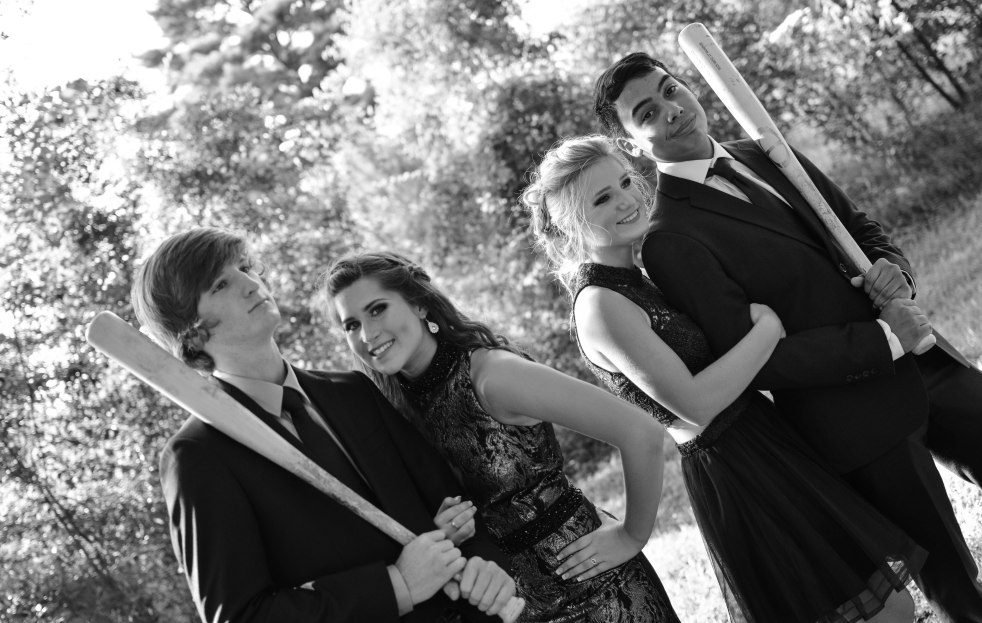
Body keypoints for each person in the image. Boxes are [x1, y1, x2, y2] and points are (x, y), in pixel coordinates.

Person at [593, 52, 982, 623]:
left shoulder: (767, 151)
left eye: (670, 89)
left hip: (928, 362)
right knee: (958, 585)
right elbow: (759, 360)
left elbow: (859, 228)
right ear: (631, 143)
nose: (671, 110)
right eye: (647, 112)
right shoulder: (668, 238)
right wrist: (881, 340)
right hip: (859, 419)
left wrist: (894, 271)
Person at [523, 134, 929, 623]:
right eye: (602, 198)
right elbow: (694, 404)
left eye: (626, 182)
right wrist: (767, 330)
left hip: (764, 438)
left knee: (888, 604)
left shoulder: (635, 277)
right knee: (881, 610)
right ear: (570, 226)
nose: (627, 200)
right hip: (737, 468)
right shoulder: (600, 305)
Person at [130, 227, 518, 623]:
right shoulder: (198, 455)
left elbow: (452, 501)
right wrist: (397, 585)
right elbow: (242, 615)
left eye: (245, 268)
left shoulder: (352, 390)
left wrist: (485, 564)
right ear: (191, 333)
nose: (251, 284)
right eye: (221, 284)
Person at [323, 253, 681, 622]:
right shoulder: (397, 410)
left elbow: (641, 432)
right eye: (351, 325)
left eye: (377, 309)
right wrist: (441, 531)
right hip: (514, 610)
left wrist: (631, 536)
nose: (367, 334)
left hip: (600, 592)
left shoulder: (491, 376)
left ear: (418, 304)